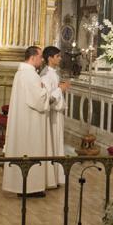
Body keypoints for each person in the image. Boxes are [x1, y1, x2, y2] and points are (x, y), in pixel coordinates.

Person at [2, 46, 58, 196]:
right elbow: (39, 100)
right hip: (30, 122)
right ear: (33, 57)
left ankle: (25, 186)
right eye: (40, 57)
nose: (42, 60)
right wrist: (51, 91)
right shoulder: (29, 75)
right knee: (31, 149)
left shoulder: (23, 73)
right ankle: (30, 188)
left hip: (26, 119)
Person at [41, 46, 70, 185]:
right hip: (52, 114)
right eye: (57, 56)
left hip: (57, 114)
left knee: (58, 143)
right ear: (50, 58)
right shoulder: (46, 74)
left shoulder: (54, 73)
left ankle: (57, 176)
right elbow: (47, 97)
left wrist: (59, 87)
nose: (60, 58)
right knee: (53, 143)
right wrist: (60, 89)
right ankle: (52, 178)